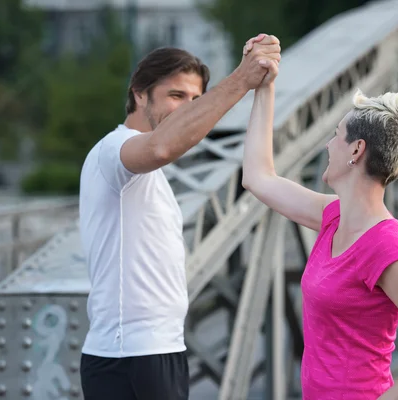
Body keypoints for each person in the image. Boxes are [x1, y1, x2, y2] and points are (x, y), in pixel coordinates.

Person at [241, 41, 398, 399]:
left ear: (356, 151)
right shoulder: (333, 217)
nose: (328, 145)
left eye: (336, 135)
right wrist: (265, 88)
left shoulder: (386, 247)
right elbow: (258, 177)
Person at [78, 35, 281, 400]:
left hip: (153, 350)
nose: (188, 109)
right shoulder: (113, 151)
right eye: (177, 96)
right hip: (134, 354)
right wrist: (242, 79)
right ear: (139, 94)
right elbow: (161, 146)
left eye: (195, 101)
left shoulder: (148, 173)